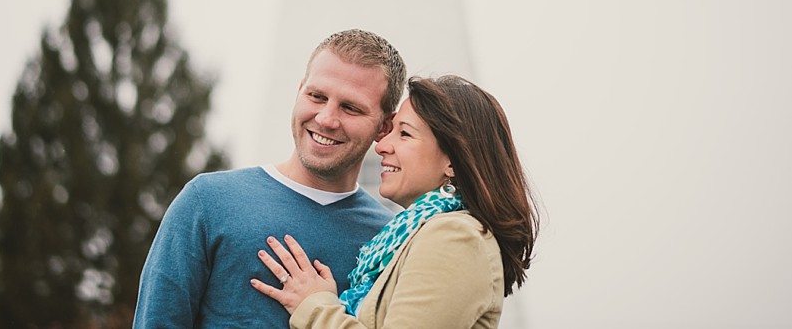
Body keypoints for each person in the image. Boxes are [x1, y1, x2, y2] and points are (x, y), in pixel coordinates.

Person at [133, 29, 407, 328]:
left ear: (384, 126)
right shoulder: (207, 202)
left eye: (350, 108)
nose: (327, 119)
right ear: (299, 91)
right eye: (316, 96)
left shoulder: (392, 240)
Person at [251, 75, 539, 329]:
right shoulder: (411, 237)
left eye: (404, 134)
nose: (382, 145)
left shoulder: (456, 237)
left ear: (452, 161)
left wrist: (315, 307)